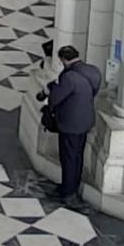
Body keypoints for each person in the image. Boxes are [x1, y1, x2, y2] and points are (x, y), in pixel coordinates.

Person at [45, 43, 102, 204]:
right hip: (85, 121)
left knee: (68, 158)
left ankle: (67, 191)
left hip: (70, 124)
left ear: (64, 59)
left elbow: (55, 98)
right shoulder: (93, 71)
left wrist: (51, 92)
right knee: (77, 156)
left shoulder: (69, 77)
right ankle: (72, 186)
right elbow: (93, 91)